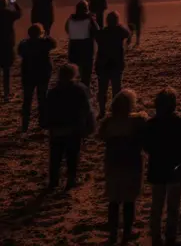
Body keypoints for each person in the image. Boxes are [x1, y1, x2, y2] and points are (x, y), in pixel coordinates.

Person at [143, 86, 181, 246]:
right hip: (176, 169)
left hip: (158, 168)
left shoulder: (152, 124)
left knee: (157, 205)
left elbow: (146, 146)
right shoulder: (179, 122)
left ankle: (156, 237)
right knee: (173, 205)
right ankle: (170, 236)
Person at [97, 87, 147, 244]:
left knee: (114, 199)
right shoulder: (137, 121)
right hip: (131, 164)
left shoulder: (108, 123)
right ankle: (126, 232)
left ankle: (113, 232)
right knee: (129, 200)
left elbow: (101, 136)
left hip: (113, 164)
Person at [44, 62, 94, 190]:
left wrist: (48, 125)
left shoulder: (53, 92)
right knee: (72, 156)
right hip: (73, 129)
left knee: (56, 156)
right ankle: (71, 180)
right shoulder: (80, 89)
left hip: (57, 129)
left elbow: (47, 111)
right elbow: (87, 109)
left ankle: (54, 181)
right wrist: (89, 126)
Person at [18, 23, 55, 131]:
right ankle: (42, 122)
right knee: (42, 98)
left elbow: (20, 52)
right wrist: (46, 35)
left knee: (27, 100)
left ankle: (25, 125)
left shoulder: (24, 44)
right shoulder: (45, 43)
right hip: (42, 74)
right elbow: (54, 44)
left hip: (28, 75)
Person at [95, 10, 131, 118]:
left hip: (103, 64)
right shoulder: (120, 31)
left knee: (102, 90)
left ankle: (102, 111)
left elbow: (97, 36)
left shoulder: (101, 33)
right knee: (116, 89)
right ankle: (116, 110)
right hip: (116, 64)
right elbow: (127, 33)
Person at [65, 0, 98, 91]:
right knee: (86, 76)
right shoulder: (89, 20)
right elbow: (97, 31)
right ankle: (84, 91)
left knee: (73, 74)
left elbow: (67, 30)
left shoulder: (71, 19)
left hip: (74, 51)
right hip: (86, 51)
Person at [0, 0, 22, 101]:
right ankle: (6, 94)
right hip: (7, 45)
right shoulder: (8, 14)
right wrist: (14, 3)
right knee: (6, 72)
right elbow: (19, 14)